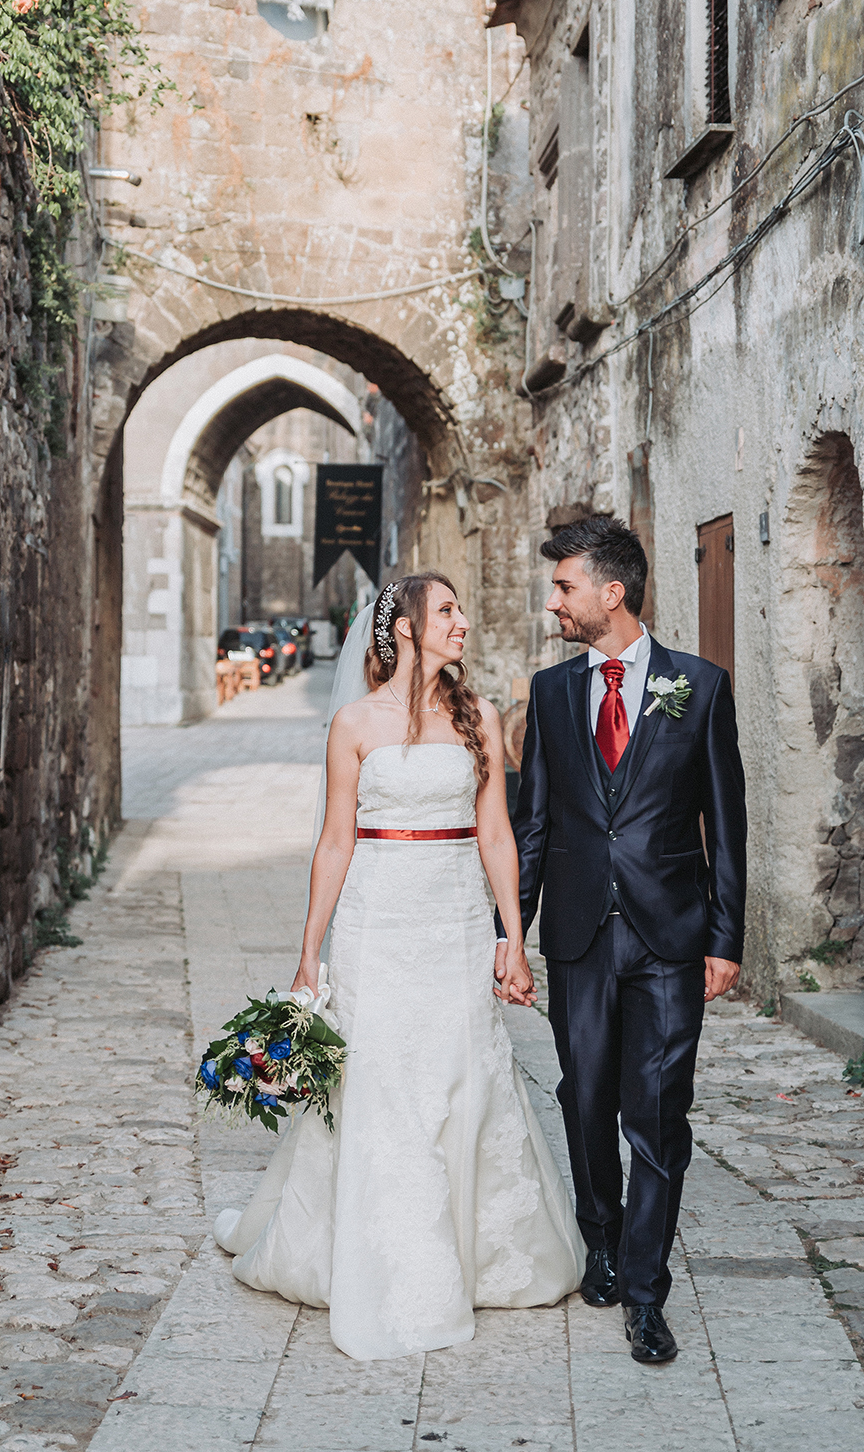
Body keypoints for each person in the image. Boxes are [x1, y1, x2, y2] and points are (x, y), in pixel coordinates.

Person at [213, 572, 585, 1360]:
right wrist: (308, 955)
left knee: (461, 1070)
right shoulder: (352, 724)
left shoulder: (476, 716)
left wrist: (511, 936)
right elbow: (335, 841)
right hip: (377, 921)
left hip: (452, 921)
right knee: (378, 1080)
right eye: (447, 610)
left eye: (460, 608)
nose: (462, 621)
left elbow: (494, 837)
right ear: (406, 628)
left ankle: (477, 1251)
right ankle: (376, 1254)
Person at [495, 514, 747, 1364]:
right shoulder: (553, 692)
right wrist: (512, 935)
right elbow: (532, 825)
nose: (552, 601)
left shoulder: (699, 687)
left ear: (612, 591)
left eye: (564, 586)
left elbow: (726, 824)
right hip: (577, 933)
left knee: (658, 1111)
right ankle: (597, 1234)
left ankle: (646, 1291)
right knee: (585, 1095)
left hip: (669, 935)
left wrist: (724, 937)